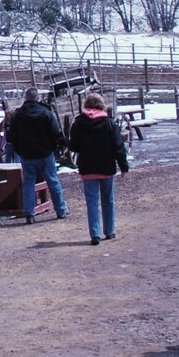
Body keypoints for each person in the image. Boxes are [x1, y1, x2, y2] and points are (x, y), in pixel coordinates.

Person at [67, 92, 129, 245]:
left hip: (87, 167)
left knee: (92, 202)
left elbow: (73, 146)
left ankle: (95, 234)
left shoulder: (78, 123)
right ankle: (109, 231)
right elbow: (118, 146)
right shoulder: (109, 123)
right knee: (108, 200)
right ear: (102, 105)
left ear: (86, 105)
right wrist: (124, 166)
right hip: (106, 167)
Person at [7, 87, 68, 223]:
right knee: (53, 181)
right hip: (45, 153)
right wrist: (52, 147)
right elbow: (55, 132)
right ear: (37, 98)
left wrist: (20, 150)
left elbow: (11, 136)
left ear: (25, 98)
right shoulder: (46, 112)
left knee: (28, 184)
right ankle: (61, 210)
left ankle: (29, 213)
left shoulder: (18, 115)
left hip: (27, 155)